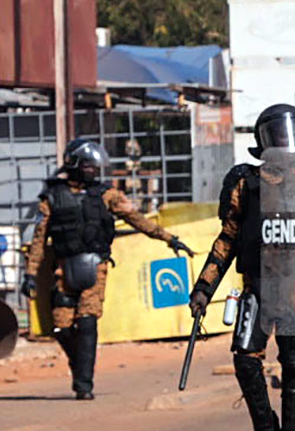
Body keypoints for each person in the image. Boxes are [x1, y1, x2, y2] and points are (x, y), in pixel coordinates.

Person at [189, 103, 295, 431]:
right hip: (258, 287)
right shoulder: (245, 182)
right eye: (278, 134)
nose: (285, 142)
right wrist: (205, 287)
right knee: (245, 360)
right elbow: (228, 238)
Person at [21, 137, 192, 399]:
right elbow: (38, 238)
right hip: (63, 270)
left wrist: (168, 239)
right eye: (88, 165)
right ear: (75, 164)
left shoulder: (107, 195)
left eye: (95, 166)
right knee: (61, 328)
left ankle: (84, 385)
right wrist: (31, 274)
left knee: (87, 322)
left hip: (94, 268)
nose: (93, 170)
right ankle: (79, 365)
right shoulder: (52, 197)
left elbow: (137, 220)